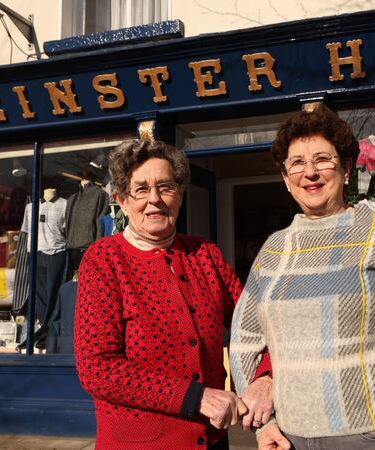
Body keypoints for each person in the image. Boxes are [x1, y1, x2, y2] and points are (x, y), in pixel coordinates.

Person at [229, 105, 375, 450]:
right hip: (292, 440)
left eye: (323, 160)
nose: (310, 173)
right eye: (297, 163)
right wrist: (263, 425)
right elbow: (244, 341)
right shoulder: (274, 251)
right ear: (286, 179)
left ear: (346, 169)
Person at [74, 139, 273, 450]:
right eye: (141, 189)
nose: (154, 199)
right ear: (122, 201)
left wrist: (265, 378)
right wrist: (197, 397)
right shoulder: (103, 260)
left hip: (211, 439)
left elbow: (258, 324)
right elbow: (97, 369)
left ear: (180, 195)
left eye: (165, 187)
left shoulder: (205, 253)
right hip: (141, 443)